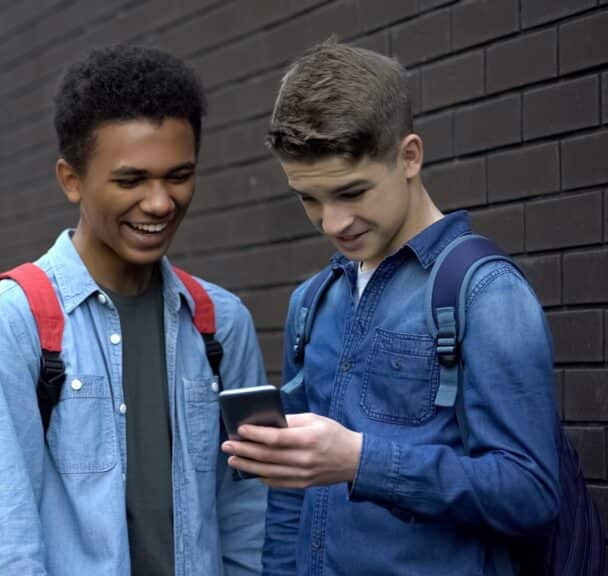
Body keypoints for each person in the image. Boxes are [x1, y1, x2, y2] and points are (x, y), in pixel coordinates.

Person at [221, 42, 560, 575]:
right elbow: (289, 500)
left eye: (352, 191)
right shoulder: (310, 303)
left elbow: (530, 494)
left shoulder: (485, 292)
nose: (333, 222)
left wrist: (360, 461)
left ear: (409, 157)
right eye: (309, 198)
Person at [0, 44, 269, 575]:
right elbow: (1, 542)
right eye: (131, 180)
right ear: (71, 179)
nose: (161, 202)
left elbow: (247, 512)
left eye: (179, 175)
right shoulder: (10, 323)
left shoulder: (221, 322)